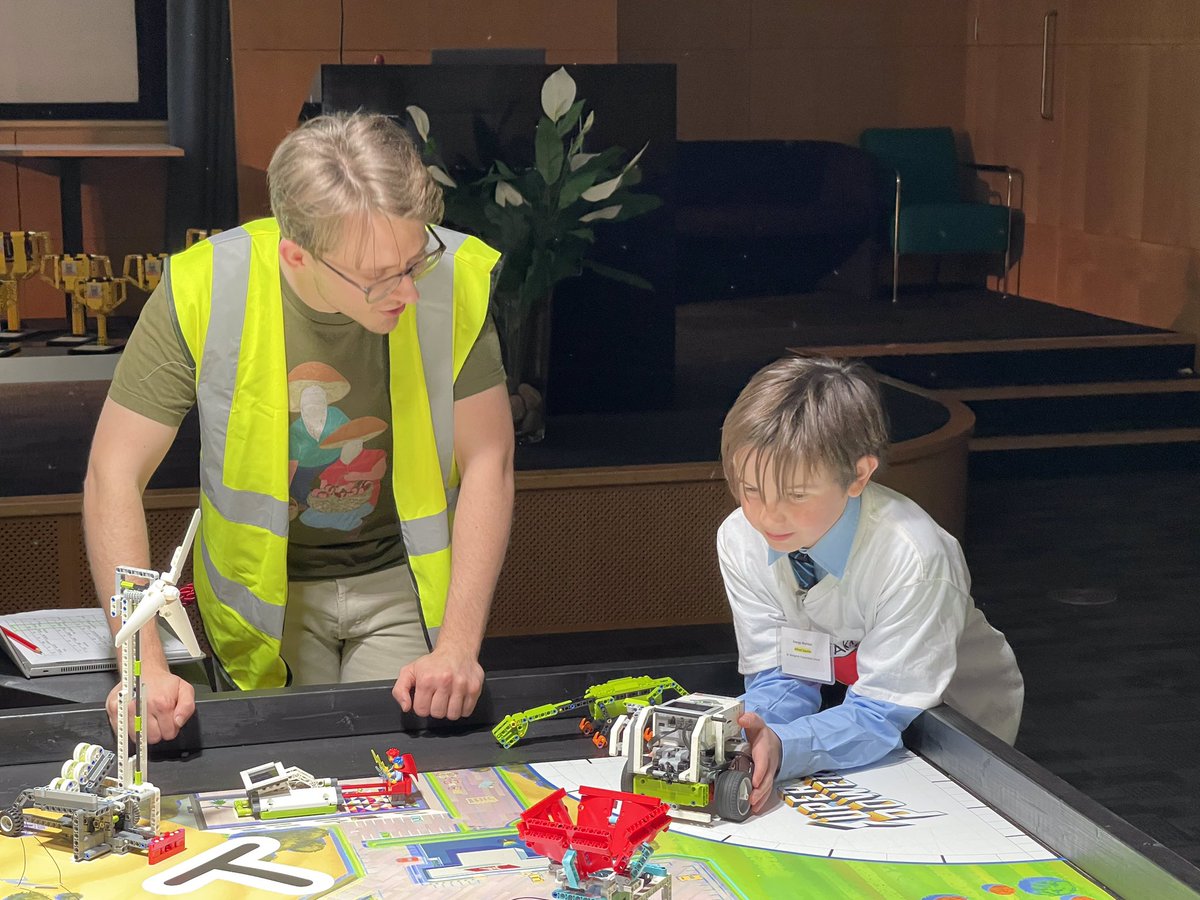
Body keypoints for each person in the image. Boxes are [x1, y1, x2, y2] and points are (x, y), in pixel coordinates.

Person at [83, 113, 515, 742]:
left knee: (386, 762)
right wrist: (142, 663)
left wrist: (457, 646)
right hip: (264, 596)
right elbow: (113, 474)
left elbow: (489, 462)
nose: (409, 293)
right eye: (379, 278)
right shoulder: (205, 286)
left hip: (401, 581)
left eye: (415, 261)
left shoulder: (453, 280)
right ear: (296, 254)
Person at [717, 355, 1023, 814]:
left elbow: (882, 713)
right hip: (850, 712)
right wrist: (749, 736)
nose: (767, 516)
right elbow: (783, 674)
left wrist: (786, 744)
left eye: (796, 494)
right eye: (750, 489)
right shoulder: (740, 537)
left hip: (957, 721)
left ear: (858, 475)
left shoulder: (914, 558)